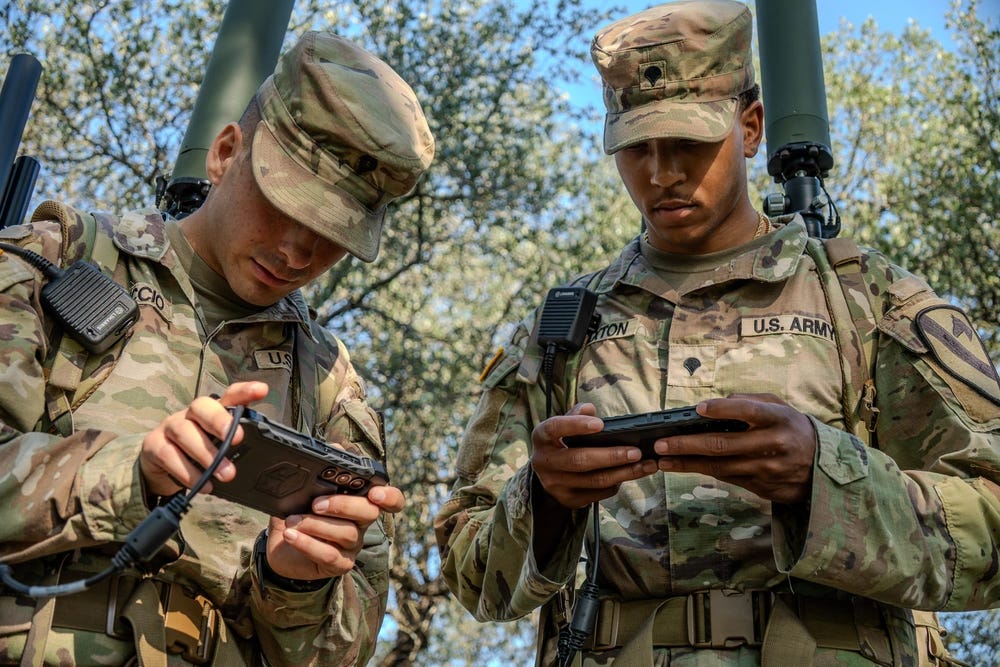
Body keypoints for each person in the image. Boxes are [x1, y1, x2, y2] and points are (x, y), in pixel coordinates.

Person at [434, 1, 1000, 665]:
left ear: (750, 127)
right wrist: (545, 498)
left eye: (689, 144)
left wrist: (822, 479)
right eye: (637, 148)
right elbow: (471, 573)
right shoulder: (561, 331)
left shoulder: (869, 302)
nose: (661, 173)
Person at [0, 30, 434, 665]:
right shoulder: (49, 264)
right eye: (282, 204)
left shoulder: (331, 388)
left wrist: (294, 580)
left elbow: (342, 651)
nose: (296, 252)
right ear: (226, 152)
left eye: (329, 232)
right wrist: (129, 474)